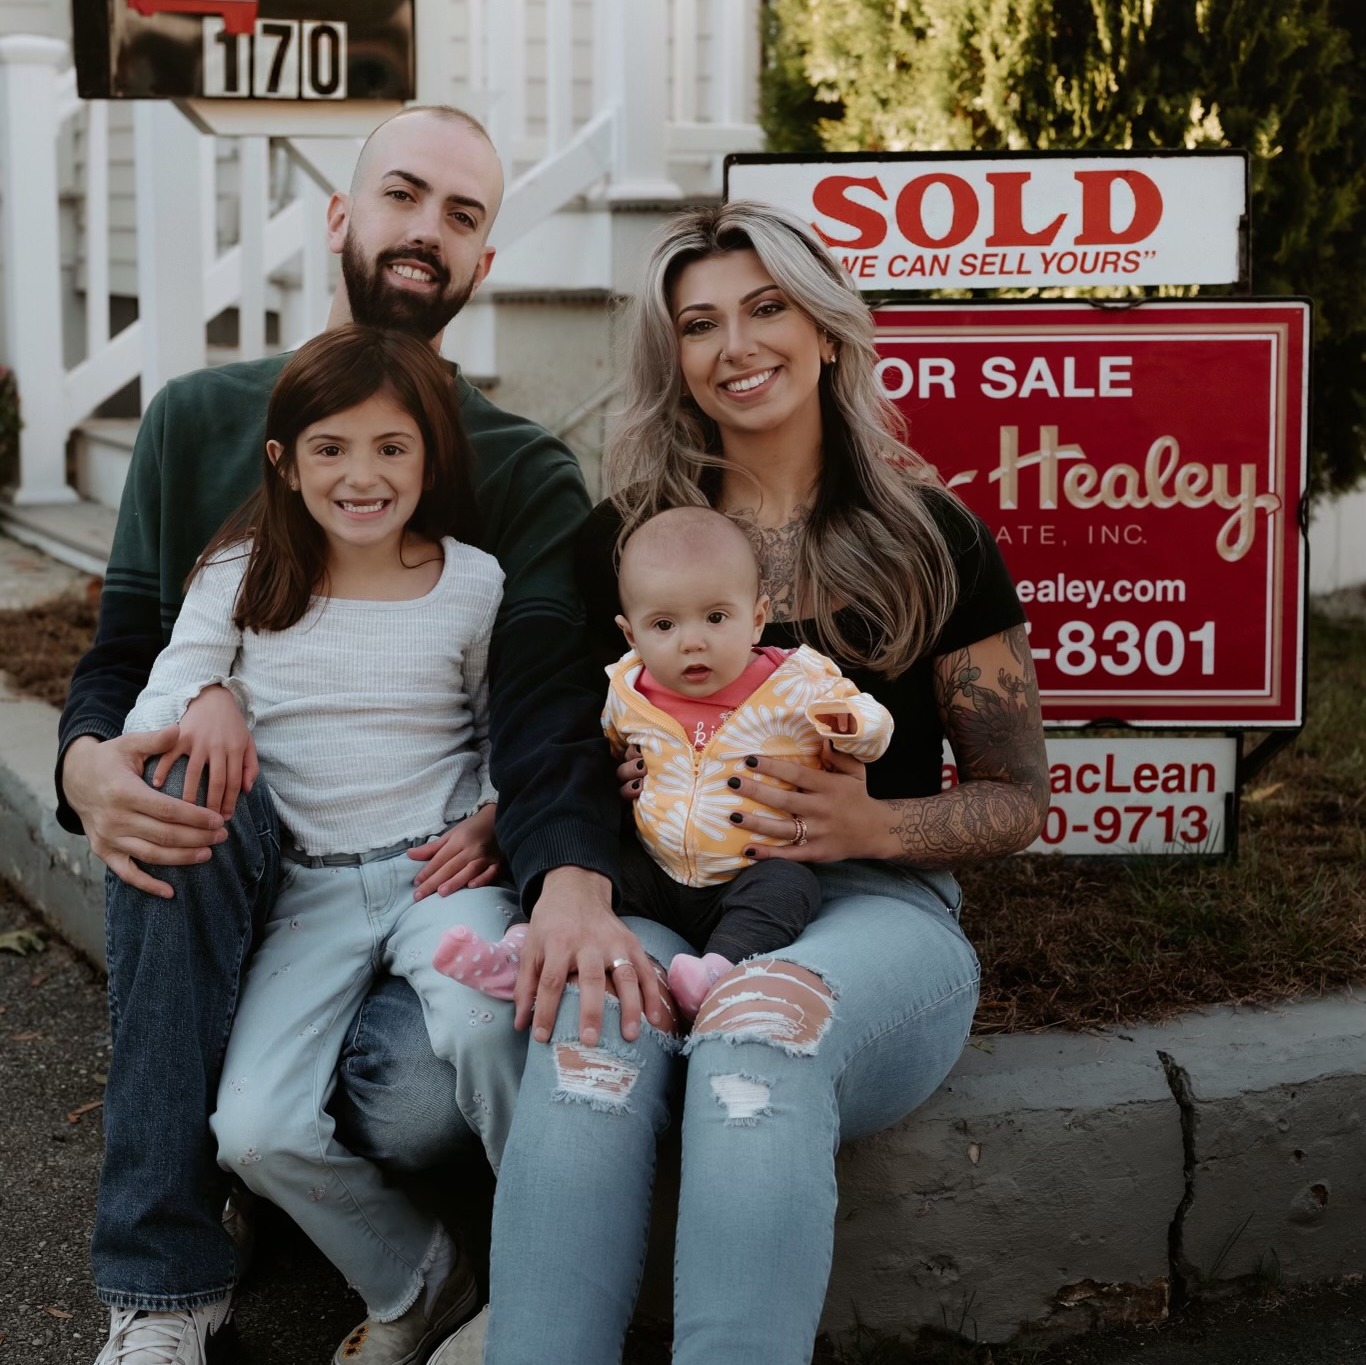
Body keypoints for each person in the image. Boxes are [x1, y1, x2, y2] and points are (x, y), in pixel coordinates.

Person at [57, 105, 662, 1365]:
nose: (423, 232)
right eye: (401, 195)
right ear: (341, 217)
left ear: (484, 262)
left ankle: (522, 1273)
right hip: (269, 870)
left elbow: (549, 697)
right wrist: (90, 765)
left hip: (433, 878)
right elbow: (127, 663)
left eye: (461, 215)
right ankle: (167, 1289)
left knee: (429, 1080)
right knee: (179, 772)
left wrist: (517, 801)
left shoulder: (520, 473)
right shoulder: (196, 420)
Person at [439, 200, 1050, 1365]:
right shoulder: (624, 538)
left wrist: (873, 818)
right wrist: (553, 852)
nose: (738, 345)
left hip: (871, 913)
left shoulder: (933, 536)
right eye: (701, 323)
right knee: (590, 1050)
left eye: (767, 307)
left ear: (825, 329)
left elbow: (1017, 798)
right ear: (674, 358)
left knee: (753, 1041)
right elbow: (551, 726)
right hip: (660, 897)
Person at [117, 322, 515, 1363]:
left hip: (441, 872)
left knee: (486, 1022)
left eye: (392, 447)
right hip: (309, 894)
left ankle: (539, 1280)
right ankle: (422, 1279)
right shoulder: (242, 573)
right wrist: (205, 697)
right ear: (284, 464)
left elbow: (499, 728)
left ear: (431, 458)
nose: (363, 475)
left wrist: (496, 813)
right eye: (331, 448)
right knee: (255, 1132)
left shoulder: (472, 582)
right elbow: (157, 695)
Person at [435, 505, 894, 1017]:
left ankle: (718, 971)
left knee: (788, 890)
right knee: (600, 872)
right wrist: (615, 779)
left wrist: (851, 725)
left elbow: (868, 724)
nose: (692, 641)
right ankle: (523, 949)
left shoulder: (795, 683)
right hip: (657, 868)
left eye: (717, 617)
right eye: (664, 624)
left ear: (758, 618)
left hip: (751, 865)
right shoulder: (629, 691)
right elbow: (606, 752)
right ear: (631, 635)